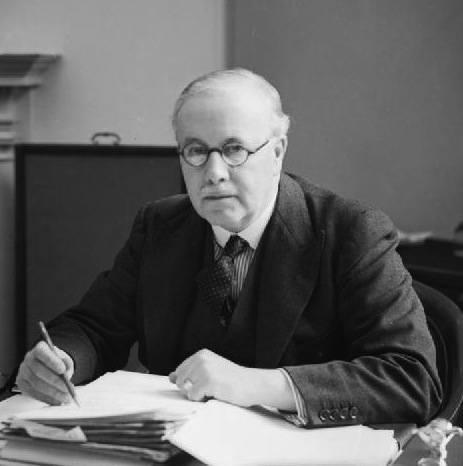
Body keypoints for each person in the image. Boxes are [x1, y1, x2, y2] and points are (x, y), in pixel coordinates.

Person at [16, 68, 442, 427]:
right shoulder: (160, 225)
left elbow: (412, 379)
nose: (214, 173)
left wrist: (256, 384)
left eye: (234, 149)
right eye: (196, 151)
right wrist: (64, 358)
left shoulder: (351, 231)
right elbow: (95, 326)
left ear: (277, 152)